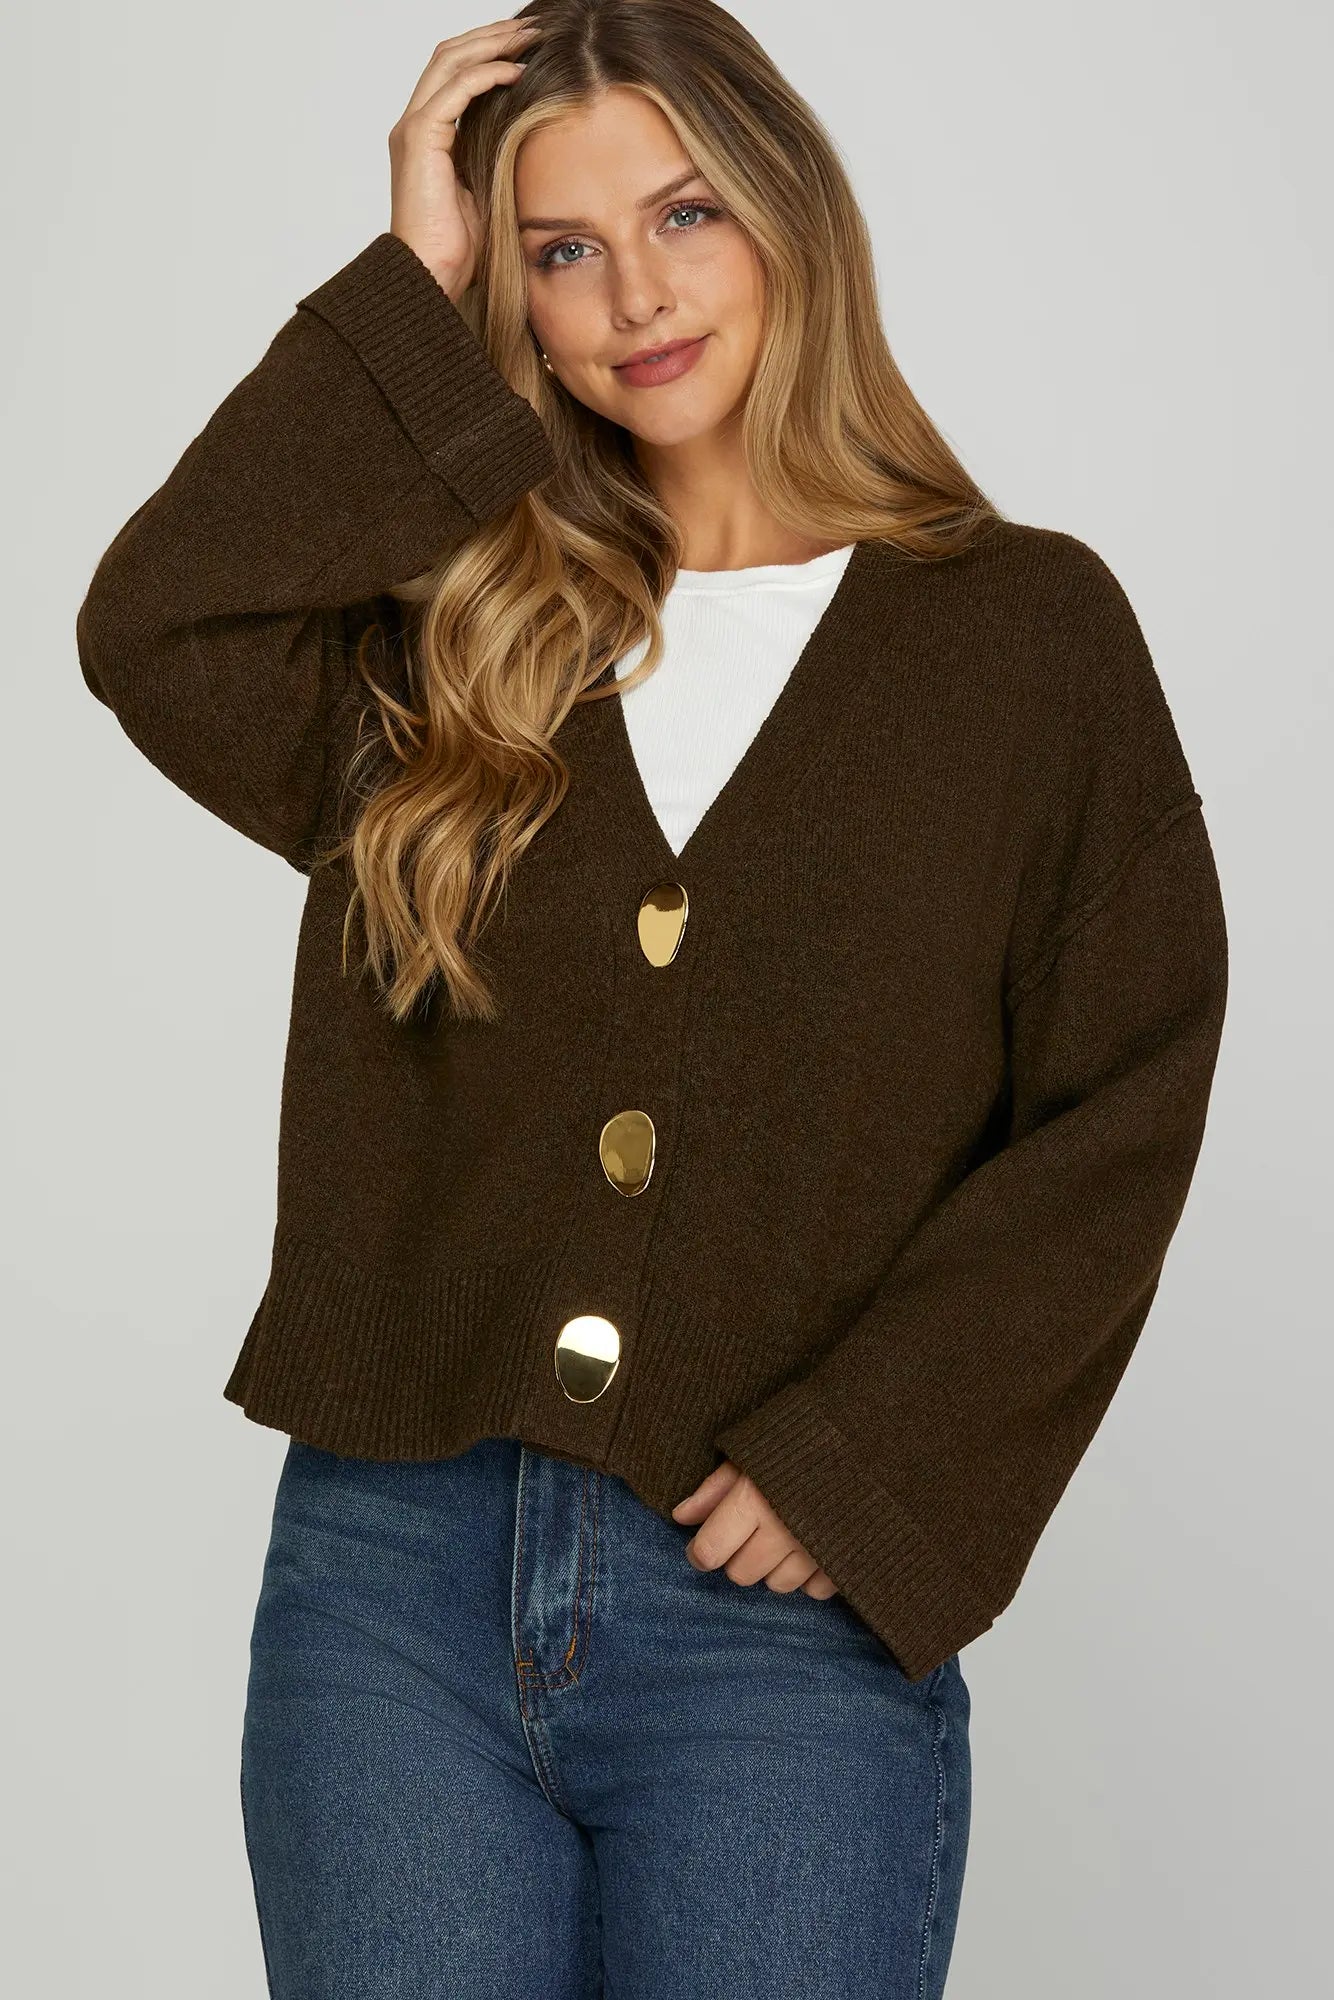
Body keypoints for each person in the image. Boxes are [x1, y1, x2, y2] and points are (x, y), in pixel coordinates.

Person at [74, 4, 1229, 1995]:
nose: (636, 295)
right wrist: (409, 283)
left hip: (768, 1617)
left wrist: (871, 1463)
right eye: (560, 248)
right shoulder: (451, 636)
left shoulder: (1023, 639)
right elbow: (154, 625)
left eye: (684, 213)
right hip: (390, 1592)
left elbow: (1122, 1092)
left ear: (789, 210)